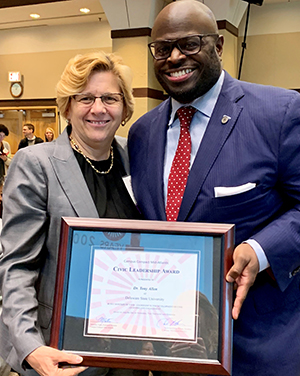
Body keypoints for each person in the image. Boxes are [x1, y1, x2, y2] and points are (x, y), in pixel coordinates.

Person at [128, 1, 300, 375]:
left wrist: (261, 249)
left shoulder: (280, 113)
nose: (174, 57)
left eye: (190, 44)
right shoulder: (142, 134)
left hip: (258, 343)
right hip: (168, 345)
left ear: (219, 46)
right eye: (162, 49)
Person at [0, 51, 146, 376]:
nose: (98, 108)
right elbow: (16, 266)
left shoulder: (137, 158)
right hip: (61, 351)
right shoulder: (36, 164)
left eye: (110, 98)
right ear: (67, 106)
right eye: (85, 98)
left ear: (124, 109)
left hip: (131, 344)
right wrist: (30, 347)